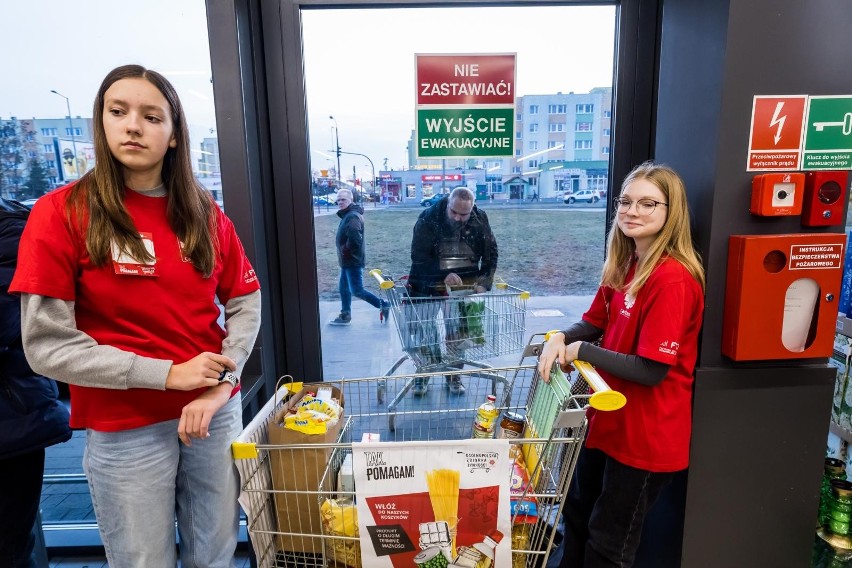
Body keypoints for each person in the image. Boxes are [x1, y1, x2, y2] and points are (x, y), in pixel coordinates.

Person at [10, 64, 262, 568]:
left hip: (214, 412)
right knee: (142, 559)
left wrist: (219, 384)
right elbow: (46, 346)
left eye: (152, 116)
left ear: (173, 135)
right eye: (118, 111)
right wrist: (167, 375)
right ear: (100, 122)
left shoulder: (203, 213)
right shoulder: (63, 213)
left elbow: (245, 301)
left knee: (214, 552)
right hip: (126, 423)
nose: (133, 126)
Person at [537, 161, 705, 568]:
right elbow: (594, 321)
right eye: (626, 202)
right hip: (608, 423)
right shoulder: (626, 262)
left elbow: (652, 369)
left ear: (671, 212)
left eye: (649, 203)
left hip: (645, 437)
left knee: (609, 543)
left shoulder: (673, 280)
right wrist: (562, 336)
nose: (632, 211)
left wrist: (581, 352)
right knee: (576, 516)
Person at [0, 197, 72, 568]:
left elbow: (14, 322)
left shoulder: (13, 228)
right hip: (17, 415)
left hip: (13, 422)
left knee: (11, 550)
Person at [407, 186, 499, 395]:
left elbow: (491, 253)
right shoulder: (428, 218)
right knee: (425, 332)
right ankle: (424, 373)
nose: (458, 218)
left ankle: (453, 375)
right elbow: (419, 257)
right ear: (448, 202)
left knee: (457, 333)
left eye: (463, 214)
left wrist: (483, 282)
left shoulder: (480, 219)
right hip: (426, 285)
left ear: (472, 208)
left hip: (463, 285)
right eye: (454, 212)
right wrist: (442, 276)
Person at [329, 188, 390, 326]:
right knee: (344, 288)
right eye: (338, 200)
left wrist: (345, 250)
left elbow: (355, 239)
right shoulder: (347, 215)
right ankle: (345, 315)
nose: (340, 202)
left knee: (357, 290)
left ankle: (383, 305)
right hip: (347, 261)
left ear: (351, 200)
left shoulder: (352, 216)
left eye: (343, 199)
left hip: (352, 261)